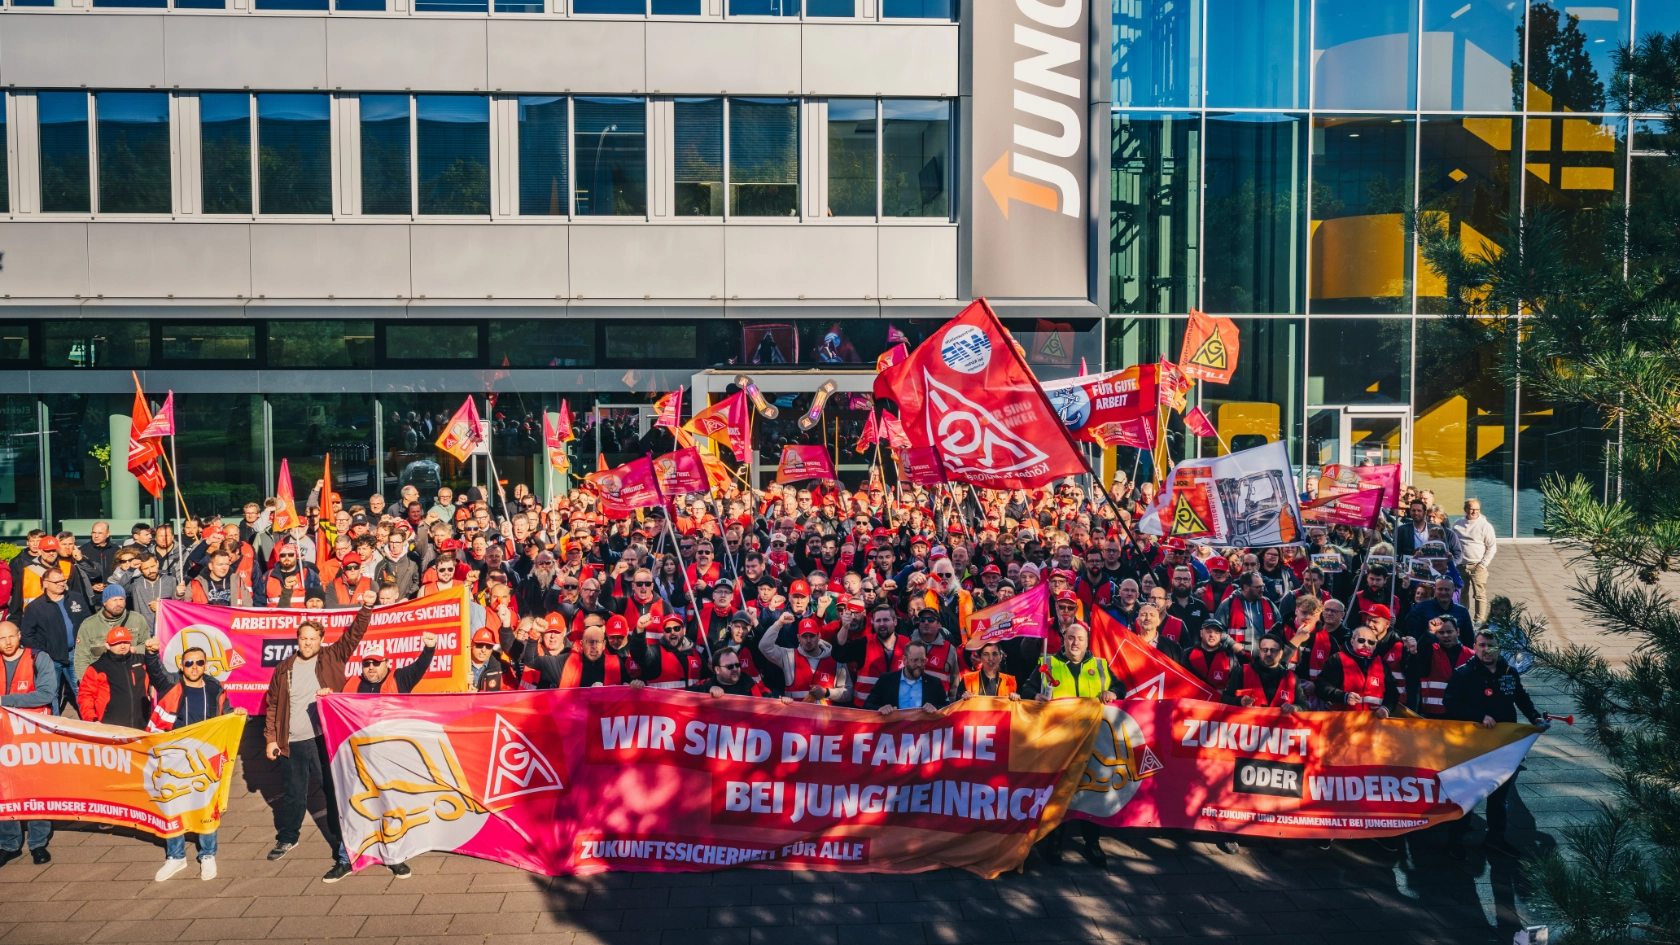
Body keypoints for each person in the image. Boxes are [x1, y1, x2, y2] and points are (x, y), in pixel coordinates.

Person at [263, 592, 376, 882]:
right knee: (293, 793)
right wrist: (271, 738)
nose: (308, 643)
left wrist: (366, 607)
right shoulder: (284, 668)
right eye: (303, 639)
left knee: (333, 792)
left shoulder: (332, 656)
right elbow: (273, 705)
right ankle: (288, 837)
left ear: (321, 640)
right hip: (292, 742)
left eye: (313, 639)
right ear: (297, 640)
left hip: (323, 740)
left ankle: (343, 843)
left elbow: (354, 634)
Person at [1443, 630, 1550, 859]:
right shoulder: (1464, 673)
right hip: (1473, 746)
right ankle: (1456, 838)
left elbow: (1521, 697)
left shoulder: (1509, 672)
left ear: (1499, 647)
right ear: (1474, 647)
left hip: (1503, 745)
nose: (1486, 650)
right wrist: (1479, 716)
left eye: (1491, 645)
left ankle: (1496, 837)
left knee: (1500, 794)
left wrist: (1535, 718)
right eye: (1481, 645)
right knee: (1467, 792)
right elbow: (1450, 703)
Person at [1021, 622, 1119, 866]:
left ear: (1087, 642)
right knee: (1059, 793)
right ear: (1064, 639)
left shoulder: (1100, 665)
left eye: (1080, 639)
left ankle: (1092, 843)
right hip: (1058, 742)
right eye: (1071, 638)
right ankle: (1054, 842)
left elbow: (1120, 687)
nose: (1075, 643)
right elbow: (1027, 690)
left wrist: (1113, 693)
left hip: (1092, 741)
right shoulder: (1047, 664)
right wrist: (1034, 696)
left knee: (1090, 793)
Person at [143, 640, 234, 880]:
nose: (194, 667)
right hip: (174, 755)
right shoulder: (172, 684)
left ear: (206, 665)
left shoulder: (214, 688)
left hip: (204, 756)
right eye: (189, 663)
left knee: (206, 805)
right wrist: (151, 653)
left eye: (199, 662)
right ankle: (176, 856)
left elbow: (226, 713)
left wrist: (236, 716)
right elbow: (155, 671)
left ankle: (208, 855)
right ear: (181, 666)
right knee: (172, 804)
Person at [0, 620, 56, 866]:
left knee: (36, 787)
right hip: (3, 735)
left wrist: (4, 700)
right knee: (4, 788)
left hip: (32, 733)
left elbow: (46, 694)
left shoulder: (38, 658)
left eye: (11, 636)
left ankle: (38, 843)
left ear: (20, 635)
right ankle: (9, 844)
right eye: (1, 638)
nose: (7, 642)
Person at [19, 566, 89, 714]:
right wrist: (43, 652)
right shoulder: (35, 607)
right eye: (57, 582)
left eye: (63, 580)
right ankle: (54, 724)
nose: (61, 584)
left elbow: (88, 622)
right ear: (45, 583)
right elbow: (26, 635)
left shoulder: (76, 598)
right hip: (50, 658)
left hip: (75, 654)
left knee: (82, 690)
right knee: (52, 694)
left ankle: (88, 722)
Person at [1313, 624, 1398, 717]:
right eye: (1361, 640)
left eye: (1371, 642)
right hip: (1341, 720)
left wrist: (1386, 708)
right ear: (1352, 641)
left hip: (1372, 722)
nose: (1366, 645)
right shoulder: (1337, 659)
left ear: (1375, 645)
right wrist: (1343, 696)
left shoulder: (1382, 664)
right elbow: (1321, 687)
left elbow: (1392, 693)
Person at [760, 616, 849, 704]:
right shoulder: (789, 656)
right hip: (797, 713)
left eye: (812, 636)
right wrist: (778, 623)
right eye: (804, 636)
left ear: (819, 636)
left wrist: (827, 692)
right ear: (798, 638)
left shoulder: (835, 659)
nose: (808, 640)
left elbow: (848, 693)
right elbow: (764, 647)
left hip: (825, 713)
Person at [74, 584, 151, 683]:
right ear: (104, 602)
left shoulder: (137, 619)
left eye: (121, 599)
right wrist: (86, 682)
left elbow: (147, 646)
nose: (119, 603)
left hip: (131, 678)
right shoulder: (88, 625)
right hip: (102, 680)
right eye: (114, 600)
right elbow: (81, 658)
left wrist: (134, 649)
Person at [76, 627, 150, 728]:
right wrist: (92, 720)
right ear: (107, 645)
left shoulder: (142, 661)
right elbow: (85, 696)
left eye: (125, 642)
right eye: (117, 643)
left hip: (142, 725)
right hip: (110, 727)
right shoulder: (97, 668)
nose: (122, 646)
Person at [862, 639, 947, 714]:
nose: (919, 664)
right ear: (904, 660)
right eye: (915, 660)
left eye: (923, 660)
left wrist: (936, 709)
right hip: (894, 727)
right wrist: (880, 709)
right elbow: (868, 705)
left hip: (923, 727)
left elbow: (947, 708)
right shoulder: (886, 680)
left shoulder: (935, 683)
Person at [1452, 498, 1498, 627]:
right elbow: (1453, 543)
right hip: (1460, 565)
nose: (1474, 512)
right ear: (1465, 509)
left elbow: (1492, 547)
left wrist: (1482, 564)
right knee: (1462, 594)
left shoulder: (1485, 526)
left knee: (1479, 595)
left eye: (1477, 509)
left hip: (1477, 566)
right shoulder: (1457, 524)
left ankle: (1479, 621)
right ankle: (1463, 618)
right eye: (1471, 509)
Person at [692, 647, 772, 699]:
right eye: (729, 666)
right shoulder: (706, 685)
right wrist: (707, 689)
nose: (735, 669)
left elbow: (770, 699)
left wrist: (779, 702)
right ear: (717, 669)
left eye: (737, 665)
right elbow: (687, 695)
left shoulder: (752, 686)